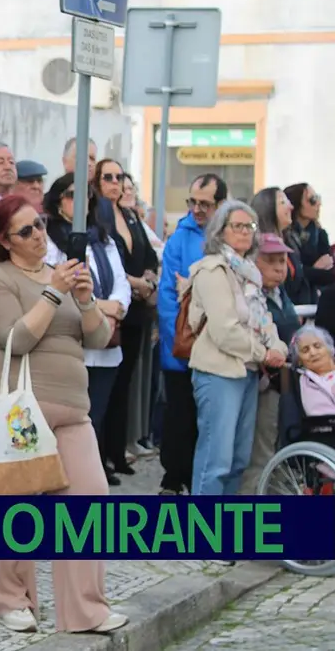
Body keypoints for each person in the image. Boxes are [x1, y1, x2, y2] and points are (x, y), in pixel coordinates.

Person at [0, 195, 126, 634]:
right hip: (19, 408)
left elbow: (98, 338)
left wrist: (86, 299)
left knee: (89, 498)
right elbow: (16, 339)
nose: (39, 235)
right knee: (16, 502)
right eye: (26, 231)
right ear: (4, 241)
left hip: (72, 407)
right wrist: (55, 292)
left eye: (38, 224)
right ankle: (11, 600)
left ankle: (86, 610)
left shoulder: (58, 274)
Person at [187, 200, 288, 496]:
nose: (245, 231)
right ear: (220, 231)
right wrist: (263, 353)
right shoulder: (212, 270)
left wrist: (278, 346)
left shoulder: (249, 274)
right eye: (238, 226)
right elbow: (225, 330)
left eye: (250, 226)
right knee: (215, 462)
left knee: (238, 461)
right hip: (218, 373)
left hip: (248, 373)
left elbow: (263, 320)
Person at [42, 173, 130, 486]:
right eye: (71, 195)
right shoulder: (49, 239)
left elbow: (121, 282)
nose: (80, 202)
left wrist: (116, 308)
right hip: (70, 343)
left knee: (96, 418)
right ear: (57, 201)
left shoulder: (103, 239)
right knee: (68, 420)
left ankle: (85, 482)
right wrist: (100, 305)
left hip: (105, 343)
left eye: (86, 196)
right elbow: (57, 284)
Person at [157, 174, 227, 495]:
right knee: (179, 415)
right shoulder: (179, 238)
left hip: (220, 346)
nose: (196, 209)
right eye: (192, 202)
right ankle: (173, 479)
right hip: (183, 347)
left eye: (204, 204)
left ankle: (203, 482)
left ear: (221, 204)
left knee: (210, 421)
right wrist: (180, 341)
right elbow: (168, 297)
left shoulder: (231, 236)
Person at [91, 159, 159, 479]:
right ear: (96, 182)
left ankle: (117, 453)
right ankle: (99, 458)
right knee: (106, 387)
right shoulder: (97, 216)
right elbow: (107, 261)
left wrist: (148, 279)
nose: (115, 183)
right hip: (112, 310)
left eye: (119, 177)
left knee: (124, 386)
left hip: (136, 310)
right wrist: (134, 283)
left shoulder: (130, 215)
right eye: (108, 177)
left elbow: (149, 255)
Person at [239, 233, 300, 495]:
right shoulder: (251, 296)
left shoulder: (280, 293)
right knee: (260, 448)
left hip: (285, 383)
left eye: (282, 261)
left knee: (278, 443)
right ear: (253, 262)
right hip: (263, 381)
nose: (279, 268)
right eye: (271, 261)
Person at [284, 182, 335, 297]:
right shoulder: (286, 236)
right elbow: (289, 274)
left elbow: (328, 274)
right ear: (296, 204)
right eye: (312, 200)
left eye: (317, 198)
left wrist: (306, 271)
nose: (318, 204)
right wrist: (314, 269)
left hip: (315, 296)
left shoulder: (320, 235)